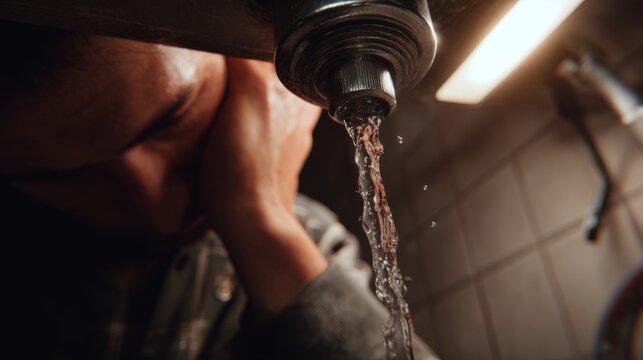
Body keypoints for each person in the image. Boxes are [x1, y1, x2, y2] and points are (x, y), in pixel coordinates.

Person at [0, 22, 436, 359]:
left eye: (174, 118)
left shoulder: (308, 237)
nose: (160, 210)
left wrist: (262, 223)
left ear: (254, 68)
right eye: (67, 176)